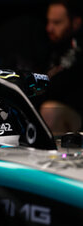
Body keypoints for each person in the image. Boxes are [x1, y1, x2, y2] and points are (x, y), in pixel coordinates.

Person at [39, 0, 83, 136]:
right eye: (49, 22)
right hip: (51, 106)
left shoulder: (79, 48)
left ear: (75, 23)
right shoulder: (50, 46)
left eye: (57, 23)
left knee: (50, 110)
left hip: (76, 112)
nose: (49, 28)